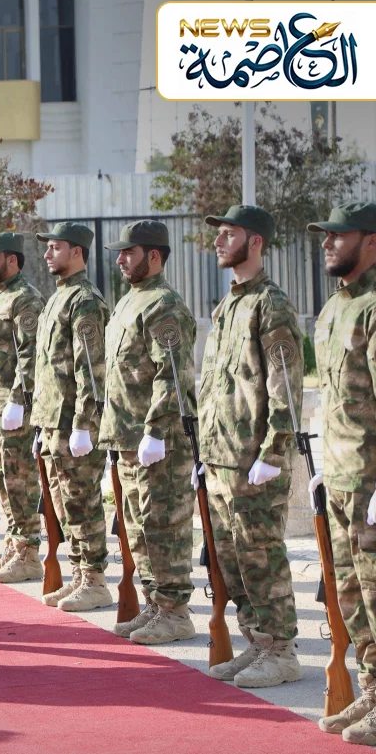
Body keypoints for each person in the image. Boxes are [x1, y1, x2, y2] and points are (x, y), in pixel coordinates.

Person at [195, 204, 303, 688]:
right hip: (221, 457)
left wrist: (274, 453)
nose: (218, 241)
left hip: (253, 459)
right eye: (218, 234)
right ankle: (257, 642)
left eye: (229, 234)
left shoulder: (270, 304)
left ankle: (281, 651)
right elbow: (216, 384)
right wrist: (204, 450)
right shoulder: (229, 305)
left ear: (254, 241)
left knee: (261, 557)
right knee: (232, 561)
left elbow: (285, 387)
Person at [100, 220, 197, 646]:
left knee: (163, 525)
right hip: (128, 438)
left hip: (159, 441)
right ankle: (155, 604)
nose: (121, 259)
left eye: (129, 252)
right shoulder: (129, 301)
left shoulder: (163, 305)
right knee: (138, 528)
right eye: (120, 253)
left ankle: (175, 612)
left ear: (153, 256)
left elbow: (172, 374)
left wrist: (156, 430)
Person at [310, 202, 376, 741]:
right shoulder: (335, 307)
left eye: (339, 235)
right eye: (325, 235)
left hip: (370, 480)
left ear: (371, 241)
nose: (327, 242)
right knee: (352, 598)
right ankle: (373, 689)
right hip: (338, 473)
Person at [32, 222, 113, 611]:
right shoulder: (57, 298)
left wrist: (84, 424)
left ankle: (95, 580)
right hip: (53, 421)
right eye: (47, 247)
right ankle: (80, 573)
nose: (48, 254)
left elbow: (91, 370)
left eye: (56, 247)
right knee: (65, 506)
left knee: (83, 503)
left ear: (77, 252)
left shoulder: (85, 301)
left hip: (73, 424)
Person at [0, 232, 46, 583]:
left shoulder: (25, 298)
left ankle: (28, 553)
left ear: (12, 260)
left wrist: (18, 399)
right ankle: (14, 546)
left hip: (13, 409)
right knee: (2, 482)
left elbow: (30, 354)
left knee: (20, 482)